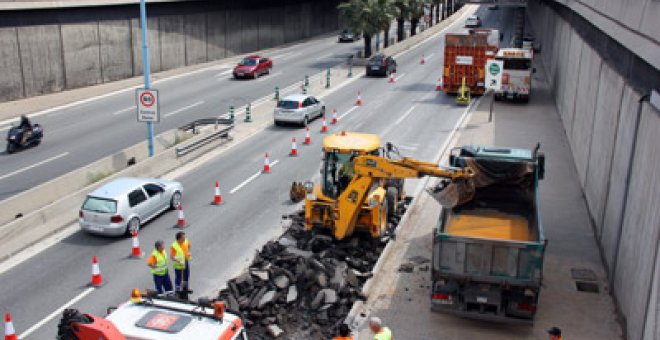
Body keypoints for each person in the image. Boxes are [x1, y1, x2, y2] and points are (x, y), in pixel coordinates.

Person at [170, 231, 192, 298]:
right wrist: (178, 261)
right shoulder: (174, 246)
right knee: (178, 277)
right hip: (178, 264)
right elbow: (172, 257)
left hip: (185, 261)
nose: (184, 239)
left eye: (184, 238)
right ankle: (177, 291)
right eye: (183, 238)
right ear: (179, 239)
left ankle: (185, 288)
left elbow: (189, 245)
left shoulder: (185, 241)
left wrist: (188, 252)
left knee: (186, 275)